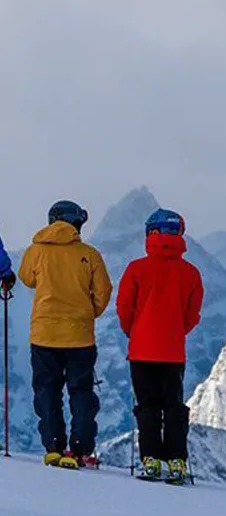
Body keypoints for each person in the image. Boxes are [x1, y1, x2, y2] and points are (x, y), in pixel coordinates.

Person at [18, 200, 112, 468]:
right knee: (80, 392)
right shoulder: (90, 254)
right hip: (80, 336)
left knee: (47, 392)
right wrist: (87, 313)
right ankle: (80, 449)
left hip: (44, 335)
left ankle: (53, 447)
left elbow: (27, 278)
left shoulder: (35, 251)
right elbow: (104, 291)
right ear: (77, 223)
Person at [116, 208, 203, 484]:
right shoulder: (191, 273)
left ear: (151, 233)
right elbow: (193, 314)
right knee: (173, 405)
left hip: (141, 349)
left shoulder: (136, 268)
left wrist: (136, 331)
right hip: (173, 350)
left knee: (147, 405)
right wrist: (176, 332)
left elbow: (124, 307)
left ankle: (151, 459)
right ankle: (176, 460)